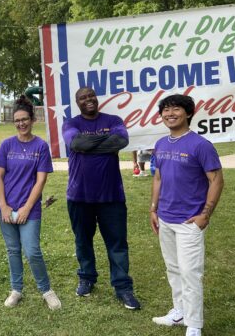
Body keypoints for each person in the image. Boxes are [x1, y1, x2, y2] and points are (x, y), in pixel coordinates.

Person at [149, 94, 224, 336]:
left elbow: (217, 180)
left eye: (176, 109)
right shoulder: (161, 144)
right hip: (165, 218)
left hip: (190, 221)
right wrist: (153, 209)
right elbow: (158, 177)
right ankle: (179, 311)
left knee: (191, 273)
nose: (170, 114)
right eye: (166, 110)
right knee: (173, 268)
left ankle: (194, 325)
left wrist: (205, 214)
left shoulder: (200, 145)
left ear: (188, 113)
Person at [61, 87, 141, 310]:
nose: (88, 100)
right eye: (83, 98)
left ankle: (123, 287)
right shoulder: (71, 123)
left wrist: (91, 143)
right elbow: (77, 144)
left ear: (96, 99)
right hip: (79, 195)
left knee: (117, 243)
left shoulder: (114, 119)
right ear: (77, 102)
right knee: (83, 240)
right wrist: (105, 142)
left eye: (91, 96)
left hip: (111, 195)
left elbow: (121, 141)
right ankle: (87, 277)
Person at [0, 95, 61, 310]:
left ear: (32, 120)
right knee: (13, 250)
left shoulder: (40, 146)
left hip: (29, 209)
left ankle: (46, 290)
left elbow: (41, 180)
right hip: (6, 207)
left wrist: (26, 208)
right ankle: (16, 289)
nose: (21, 123)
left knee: (32, 251)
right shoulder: (6, 145)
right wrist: (3, 206)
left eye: (24, 119)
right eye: (17, 120)